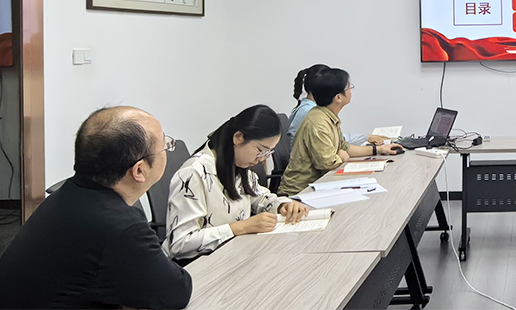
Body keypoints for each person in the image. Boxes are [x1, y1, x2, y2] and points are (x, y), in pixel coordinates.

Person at [0, 106, 192, 309]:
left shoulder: (67, 196)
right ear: (139, 170)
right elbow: (176, 291)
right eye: (166, 145)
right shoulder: (118, 227)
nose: (168, 149)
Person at [164, 104, 311, 262]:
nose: (262, 159)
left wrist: (282, 205)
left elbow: (259, 197)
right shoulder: (194, 173)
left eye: (268, 152)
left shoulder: (238, 167)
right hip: (200, 264)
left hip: (234, 255)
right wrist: (240, 228)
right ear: (238, 137)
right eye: (260, 150)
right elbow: (180, 243)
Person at [279, 67, 402, 196]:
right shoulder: (318, 123)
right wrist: (341, 156)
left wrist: (379, 150)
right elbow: (328, 163)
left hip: (319, 185)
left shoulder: (327, 115)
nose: (351, 90)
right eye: (349, 87)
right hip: (300, 193)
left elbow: (344, 147)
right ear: (338, 97)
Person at [287, 64, 380, 146]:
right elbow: (331, 145)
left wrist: (366, 138)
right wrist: (366, 139)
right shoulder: (311, 112)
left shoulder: (313, 108)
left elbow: (338, 141)